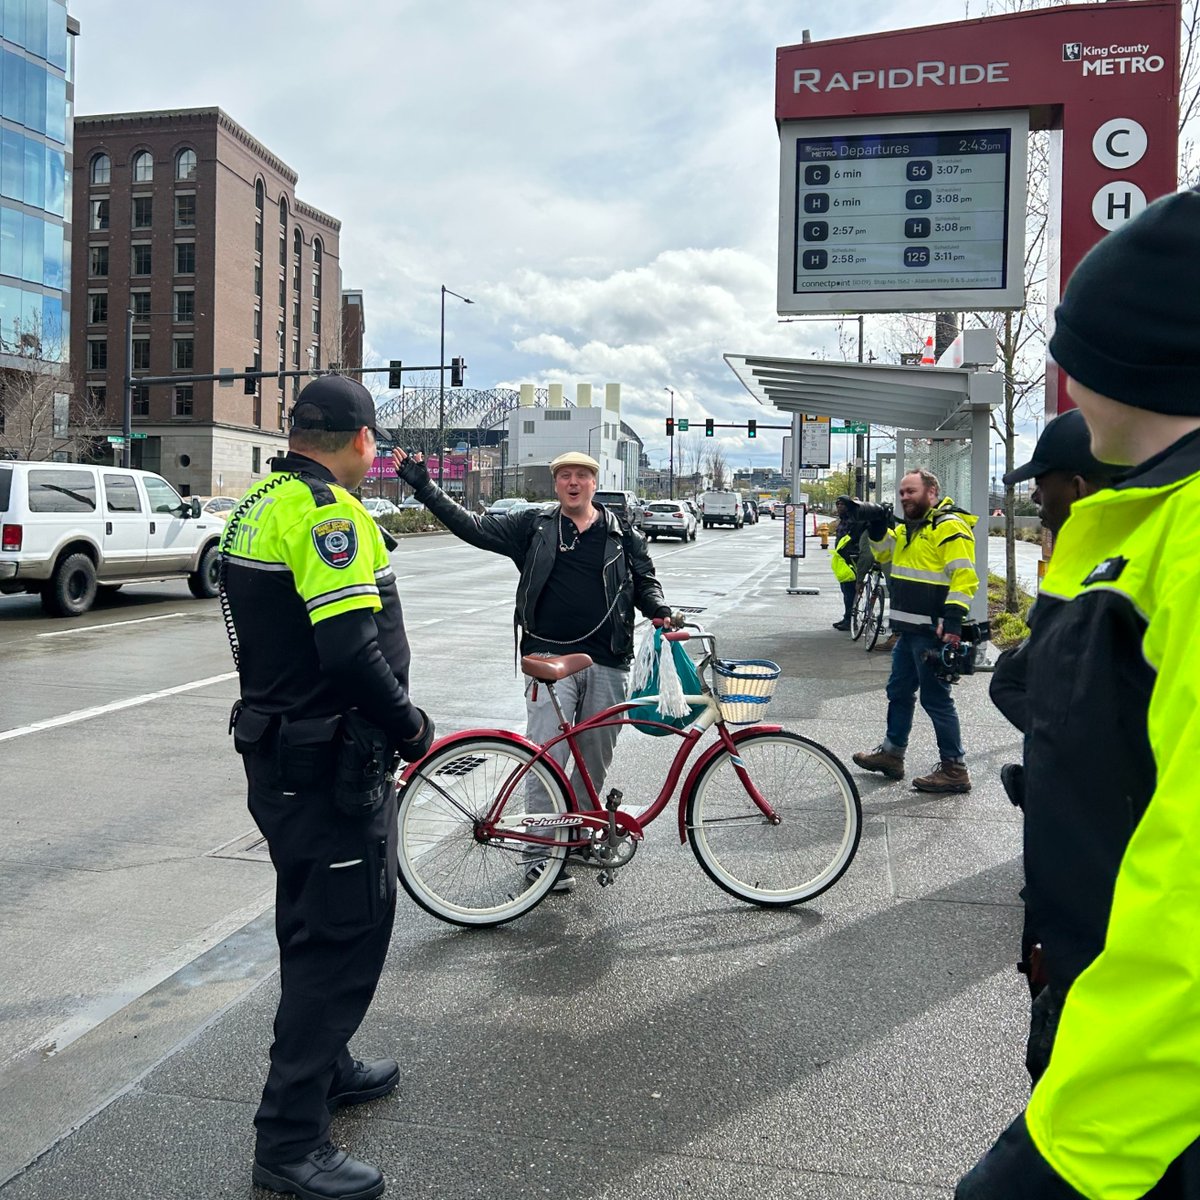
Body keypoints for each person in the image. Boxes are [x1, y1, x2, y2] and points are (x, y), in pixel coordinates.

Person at [957, 186, 1200, 1200]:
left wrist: (1069, 1155)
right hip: (1095, 1010)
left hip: (1146, 1120)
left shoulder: (1184, 546)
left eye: (1071, 349)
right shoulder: (1143, 532)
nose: (1058, 375)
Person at [221, 375, 435, 1200]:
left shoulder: (259, 501)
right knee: (341, 939)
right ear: (359, 439)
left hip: (279, 754)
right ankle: (289, 1141)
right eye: (374, 440)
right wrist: (412, 727)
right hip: (329, 763)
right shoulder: (330, 515)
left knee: (309, 920)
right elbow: (351, 653)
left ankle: (331, 1064)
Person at [393, 448, 673, 893]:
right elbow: (476, 528)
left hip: (608, 659)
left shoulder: (622, 534)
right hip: (549, 661)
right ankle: (540, 856)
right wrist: (424, 486)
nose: (573, 483)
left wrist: (659, 610)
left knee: (591, 762)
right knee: (546, 758)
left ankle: (578, 839)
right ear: (556, 484)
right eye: (565, 476)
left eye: (582, 475)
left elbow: (644, 582)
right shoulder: (535, 527)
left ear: (594, 483)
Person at [850, 469, 979, 793]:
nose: (904, 497)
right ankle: (892, 754)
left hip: (931, 632)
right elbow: (883, 555)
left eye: (911, 491)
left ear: (932, 492)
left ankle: (954, 768)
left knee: (936, 700)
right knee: (898, 692)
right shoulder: (911, 529)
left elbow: (965, 577)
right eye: (902, 492)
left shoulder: (948, 526)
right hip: (909, 631)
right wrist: (878, 527)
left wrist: (952, 622)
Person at [830, 495, 860, 631]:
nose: (839, 507)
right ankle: (847, 617)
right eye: (838, 504)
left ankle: (850, 619)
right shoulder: (843, 520)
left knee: (849, 591)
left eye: (842, 504)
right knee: (845, 589)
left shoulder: (853, 520)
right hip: (842, 558)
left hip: (850, 558)